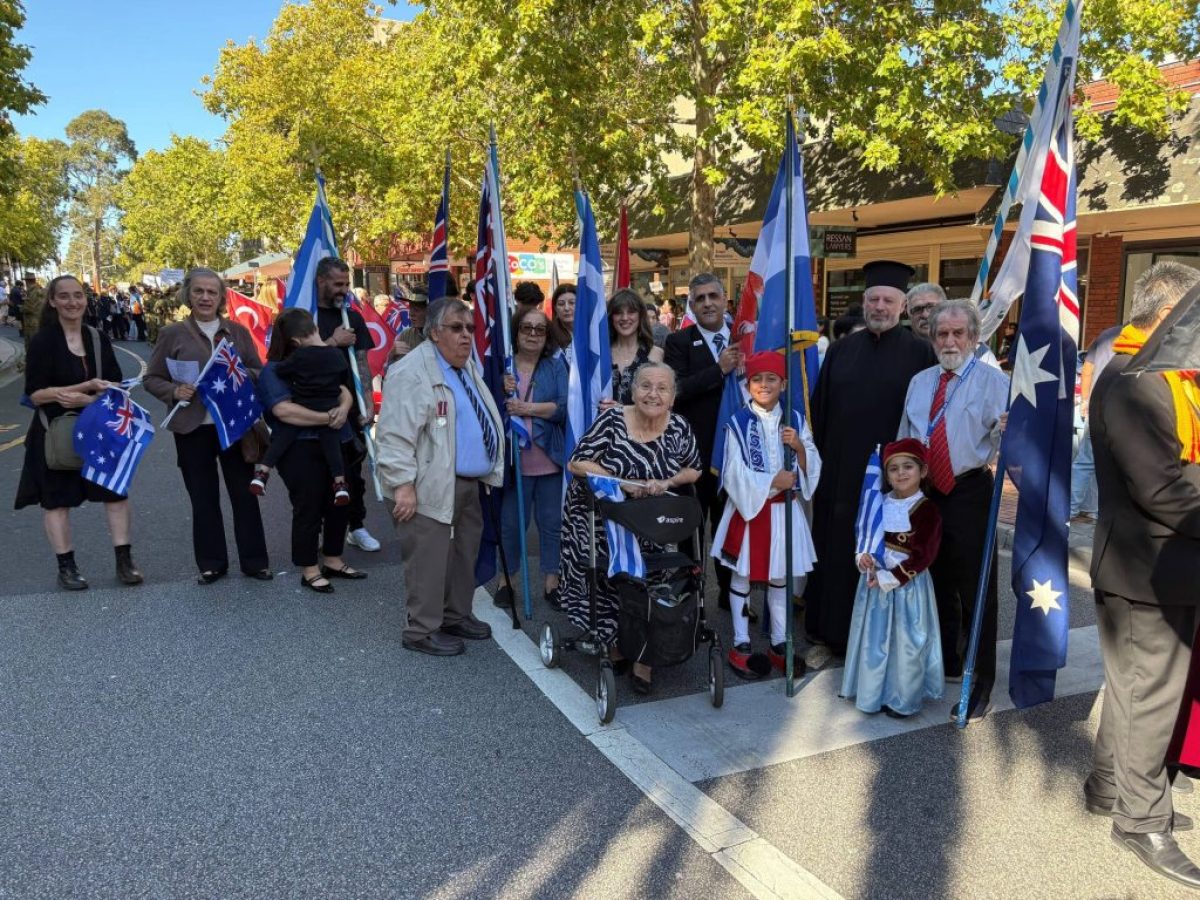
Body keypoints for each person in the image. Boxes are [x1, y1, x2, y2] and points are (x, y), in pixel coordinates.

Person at [1084, 262, 1200, 887]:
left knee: (1131, 690)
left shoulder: (1162, 377)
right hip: (1146, 569)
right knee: (1149, 698)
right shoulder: (1133, 382)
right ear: (1168, 314)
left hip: (1165, 566)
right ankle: (1140, 819)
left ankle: (1109, 787)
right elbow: (1161, 489)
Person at [806, 260, 936, 655]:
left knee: (888, 553)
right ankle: (831, 635)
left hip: (893, 479)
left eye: (888, 300)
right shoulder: (841, 351)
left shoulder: (921, 354)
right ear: (864, 303)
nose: (880, 306)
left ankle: (881, 642)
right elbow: (821, 414)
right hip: (841, 474)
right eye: (873, 299)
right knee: (837, 551)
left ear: (901, 308)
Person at [897, 298, 1008, 721]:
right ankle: (943, 661)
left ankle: (981, 681)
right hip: (925, 493)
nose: (949, 340)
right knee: (934, 580)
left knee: (976, 588)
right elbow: (905, 440)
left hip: (969, 491)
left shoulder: (993, 382)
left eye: (958, 333)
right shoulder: (920, 382)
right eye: (942, 333)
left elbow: (1011, 443)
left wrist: (1012, 432)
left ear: (974, 338)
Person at [561, 362, 702, 693]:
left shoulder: (679, 426)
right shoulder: (612, 421)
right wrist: (623, 483)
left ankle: (644, 655)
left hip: (649, 521)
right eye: (645, 386)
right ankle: (615, 642)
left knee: (650, 579)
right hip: (599, 515)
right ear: (633, 390)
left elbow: (693, 469)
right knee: (609, 576)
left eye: (662, 388)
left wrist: (665, 481)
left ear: (673, 396)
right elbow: (577, 462)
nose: (653, 394)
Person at [377, 298, 503, 656]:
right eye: (456, 329)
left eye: (470, 329)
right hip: (426, 483)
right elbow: (394, 434)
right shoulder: (413, 372)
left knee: (463, 555)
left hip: (466, 482)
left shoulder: (462, 366)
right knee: (428, 559)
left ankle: (454, 614)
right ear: (434, 333)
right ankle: (421, 630)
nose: (466, 337)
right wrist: (402, 484)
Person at [15, 275, 143, 590]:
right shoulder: (44, 341)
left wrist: (90, 397)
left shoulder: (98, 338)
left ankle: (124, 561)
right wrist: (78, 388)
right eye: (65, 296)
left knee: (115, 494)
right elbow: (35, 395)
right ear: (53, 301)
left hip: (98, 428)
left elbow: (115, 385)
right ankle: (67, 567)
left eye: (78, 296)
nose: (73, 302)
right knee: (56, 501)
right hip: (55, 432)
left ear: (86, 300)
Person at [144, 267, 271, 585]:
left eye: (211, 292)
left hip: (233, 426)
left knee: (244, 495)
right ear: (188, 294)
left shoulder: (237, 332)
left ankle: (255, 562)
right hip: (192, 428)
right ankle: (212, 563)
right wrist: (173, 391)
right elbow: (152, 378)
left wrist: (238, 374)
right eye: (198, 291)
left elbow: (259, 371)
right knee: (203, 497)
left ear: (221, 297)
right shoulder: (172, 334)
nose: (205, 297)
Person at [712, 351, 821, 678]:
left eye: (771, 379)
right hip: (747, 513)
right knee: (742, 576)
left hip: (783, 514)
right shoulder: (736, 423)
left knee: (779, 577)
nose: (763, 385)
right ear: (748, 384)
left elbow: (814, 459)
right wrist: (771, 481)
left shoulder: (796, 420)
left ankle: (778, 642)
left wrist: (799, 448)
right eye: (757, 379)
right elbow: (731, 472)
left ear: (783, 383)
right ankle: (742, 641)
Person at [257, 308, 365, 594]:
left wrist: (342, 408)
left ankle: (333, 558)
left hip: (335, 441)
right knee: (309, 506)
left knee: (340, 502)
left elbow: (342, 390)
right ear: (293, 340)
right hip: (299, 448)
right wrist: (329, 418)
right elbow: (283, 410)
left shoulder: (320, 359)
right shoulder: (273, 370)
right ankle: (309, 568)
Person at [841, 439, 943, 717]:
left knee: (907, 643)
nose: (900, 474)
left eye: (908, 467)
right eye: (894, 469)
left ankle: (903, 699)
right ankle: (874, 692)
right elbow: (866, 537)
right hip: (876, 583)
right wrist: (864, 558)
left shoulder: (926, 509)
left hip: (907, 586)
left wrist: (893, 577)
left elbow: (924, 555)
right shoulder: (879, 503)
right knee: (875, 641)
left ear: (922, 471)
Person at [664, 273, 743, 612]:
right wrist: (718, 370)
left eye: (714, 296)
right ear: (692, 306)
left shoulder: (745, 339)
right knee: (690, 530)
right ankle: (688, 595)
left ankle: (732, 595)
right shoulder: (679, 342)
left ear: (725, 299)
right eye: (700, 299)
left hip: (736, 456)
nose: (708, 303)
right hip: (694, 458)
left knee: (730, 528)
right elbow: (676, 390)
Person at [492, 306, 568, 610]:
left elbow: (563, 407)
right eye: (527, 328)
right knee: (511, 526)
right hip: (514, 464)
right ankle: (506, 581)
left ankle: (552, 582)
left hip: (549, 459)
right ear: (516, 332)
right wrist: (501, 387)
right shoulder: (503, 366)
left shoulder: (555, 366)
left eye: (540, 329)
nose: (534, 334)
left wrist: (529, 409)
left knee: (552, 524)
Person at [310, 258, 381, 554]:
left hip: (350, 408)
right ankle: (317, 529)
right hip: (313, 408)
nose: (343, 290)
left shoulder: (353, 316)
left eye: (346, 284)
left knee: (353, 472)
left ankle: (357, 526)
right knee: (318, 474)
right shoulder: (306, 317)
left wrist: (367, 404)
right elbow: (295, 361)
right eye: (337, 284)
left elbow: (362, 363)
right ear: (321, 281)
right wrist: (332, 341)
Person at [248, 308, 352, 506]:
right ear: (317, 328)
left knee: (281, 441)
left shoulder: (299, 357)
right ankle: (340, 485)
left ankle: (262, 473)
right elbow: (341, 385)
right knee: (333, 451)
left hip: (304, 406)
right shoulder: (337, 356)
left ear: (294, 342)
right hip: (330, 410)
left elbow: (281, 369)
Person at [1070, 324, 1120, 522]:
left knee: (1087, 461)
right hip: (1118, 407)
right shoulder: (1138, 338)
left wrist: (1085, 400)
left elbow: (1087, 369)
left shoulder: (1107, 334)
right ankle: (1076, 508)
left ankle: (1082, 508)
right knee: (1095, 461)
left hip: (1098, 405)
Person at [604, 288, 664, 407]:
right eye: (618, 312)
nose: (625, 318)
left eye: (631, 312)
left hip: (642, 425)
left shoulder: (655, 354)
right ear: (611, 317)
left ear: (641, 315)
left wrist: (623, 410)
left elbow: (660, 403)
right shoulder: (601, 354)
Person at [392, 289, 429, 360]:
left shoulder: (440, 336)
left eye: (416, 310)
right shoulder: (405, 336)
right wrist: (392, 354)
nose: (411, 314)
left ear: (429, 310)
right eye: (410, 309)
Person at [548, 282, 576, 368]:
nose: (566, 308)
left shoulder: (592, 333)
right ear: (555, 308)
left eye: (572, 303)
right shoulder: (549, 334)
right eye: (561, 304)